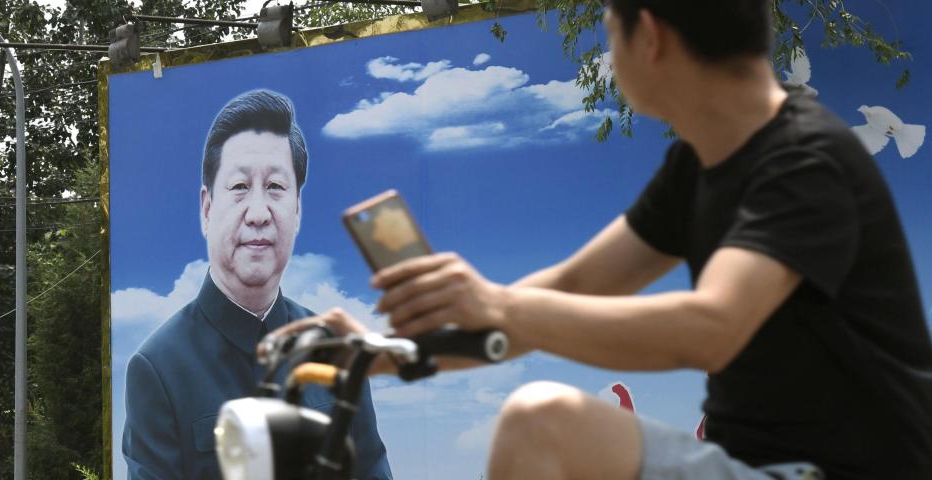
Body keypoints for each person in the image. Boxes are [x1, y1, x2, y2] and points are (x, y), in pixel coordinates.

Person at [273, 1, 932, 479]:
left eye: (608, 26)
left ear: (647, 35)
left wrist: (497, 304)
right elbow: (567, 292)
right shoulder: (698, 165)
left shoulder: (803, 160)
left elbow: (711, 327)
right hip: (746, 466)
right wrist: (387, 352)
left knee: (541, 423)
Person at [122, 89, 392, 480]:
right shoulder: (159, 369)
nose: (259, 213)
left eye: (276, 188)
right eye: (239, 187)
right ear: (207, 208)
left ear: (297, 210)